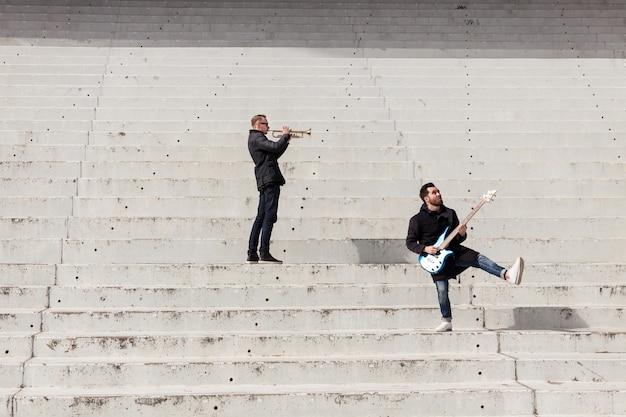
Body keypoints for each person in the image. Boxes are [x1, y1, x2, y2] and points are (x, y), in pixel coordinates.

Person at [406, 182, 523, 332]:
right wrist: (425, 248)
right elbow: (409, 243)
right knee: (442, 290)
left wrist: (462, 234)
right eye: (434, 192)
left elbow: (458, 239)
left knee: (480, 259)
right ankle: (446, 320)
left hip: (454, 251)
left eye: (439, 191)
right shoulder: (417, 220)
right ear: (426, 198)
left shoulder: (450, 213)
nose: (439, 194)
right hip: (434, 259)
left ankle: (507, 274)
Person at [247, 114, 291, 264]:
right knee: (268, 217)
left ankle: (252, 252)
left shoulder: (256, 139)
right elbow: (275, 147)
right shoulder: (257, 137)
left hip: (265, 179)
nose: (269, 127)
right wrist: (283, 137)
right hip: (269, 179)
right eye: (266, 124)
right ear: (259, 125)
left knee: (261, 216)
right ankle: (264, 251)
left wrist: (286, 141)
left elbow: (274, 154)